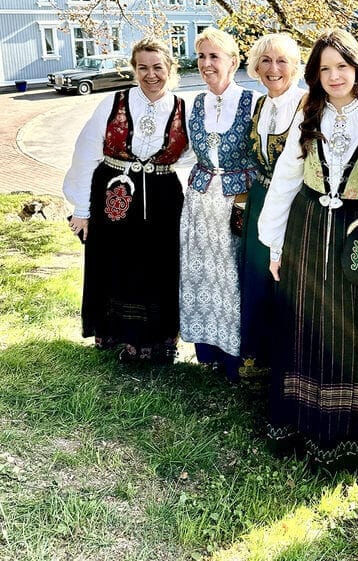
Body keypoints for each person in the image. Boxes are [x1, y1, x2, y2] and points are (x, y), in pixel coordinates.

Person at [258, 27, 358, 473]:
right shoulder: (307, 115)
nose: (334, 76)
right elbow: (286, 181)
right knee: (307, 325)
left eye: (342, 66)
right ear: (314, 74)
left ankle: (350, 437)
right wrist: (275, 244)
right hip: (307, 231)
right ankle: (304, 426)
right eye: (325, 68)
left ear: (357, 68)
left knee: (354, 331)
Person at [63, 37, 189, 363]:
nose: (151, 75)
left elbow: (193, 157)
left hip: (162, 197)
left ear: (170, 68)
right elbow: (86, 152)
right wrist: (80, 208)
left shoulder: (181, 108)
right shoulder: (112, 103)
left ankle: (156, 341)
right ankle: (115, 333)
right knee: (114, 261)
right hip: (115, 193)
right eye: (143, 67)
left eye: (158, 67)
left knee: (158, 267)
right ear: (134, 70)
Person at [179, 27, 259, 382]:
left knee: (233, 276)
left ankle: (238, 356)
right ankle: (207, 351)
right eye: (201, 56)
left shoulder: (253, 101)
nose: (207, 64)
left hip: (237, 200)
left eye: (215, 56)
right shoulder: (194, 103)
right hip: (199, 200)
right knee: (202, 275)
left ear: (234, 61)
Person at [239, 32, 305, 374]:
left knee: (287, 282)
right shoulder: (260, 104)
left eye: (282, 61)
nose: (273, 68)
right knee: (258, 276)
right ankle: (258, 358)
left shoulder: (308, 105)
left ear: (295, 67)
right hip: (260, 200)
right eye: (266, 60)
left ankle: (287, 363)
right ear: (255, 66)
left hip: (295, 206)